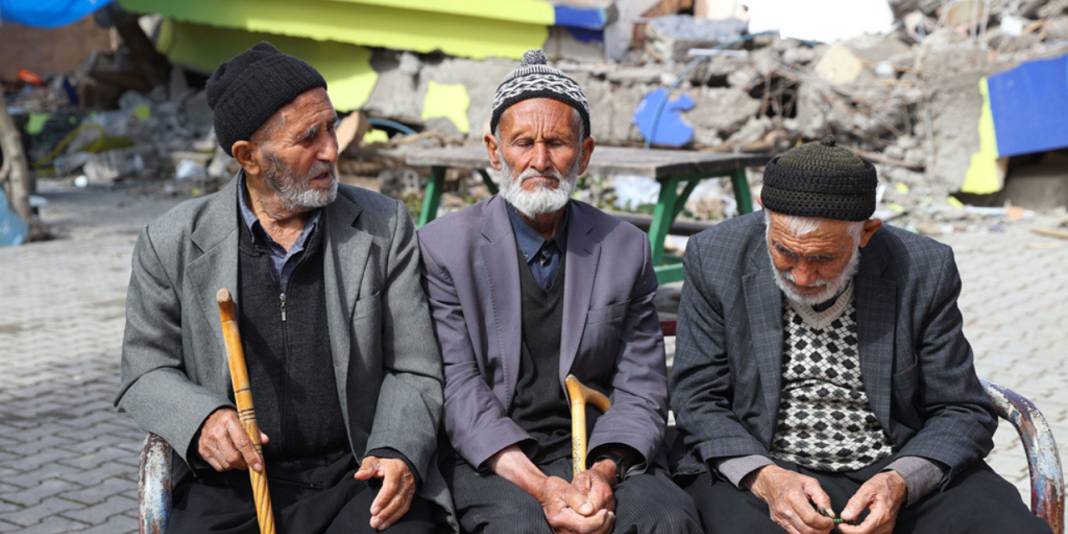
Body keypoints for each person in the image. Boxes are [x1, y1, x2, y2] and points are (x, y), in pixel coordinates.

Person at [116, 42, 450, 533]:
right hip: (232, 486)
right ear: (249, 157)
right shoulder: (172, 242)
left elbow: (415, 366)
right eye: (307, 137)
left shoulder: (383, 227)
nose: (332, 150)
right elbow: (144, 369)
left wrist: (396, 447)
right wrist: (203, 418)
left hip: (355, 472)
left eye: (332, 126)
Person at [670, 137, 1050, 533]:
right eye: (784, 251)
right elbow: (698, 398)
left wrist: (900, 480)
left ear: (866, 233)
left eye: (822, 258)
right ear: (765, 213)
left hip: (891, 461)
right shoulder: (714, 256)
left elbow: (960, 408)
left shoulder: (922, 268)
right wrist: (766, 479)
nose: (801, 276)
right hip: (763, 465)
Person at [417, 49, 701, 534]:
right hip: (496, 456)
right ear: (493, 151)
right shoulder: (444, 247)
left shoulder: (624, 247)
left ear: (585, 153)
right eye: (522, 142)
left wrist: (602, 472)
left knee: (667, 518)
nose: (540, 161)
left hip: (595, 447)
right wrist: (543, 487)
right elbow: (459, 389)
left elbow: (642, 386)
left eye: (557, 143)